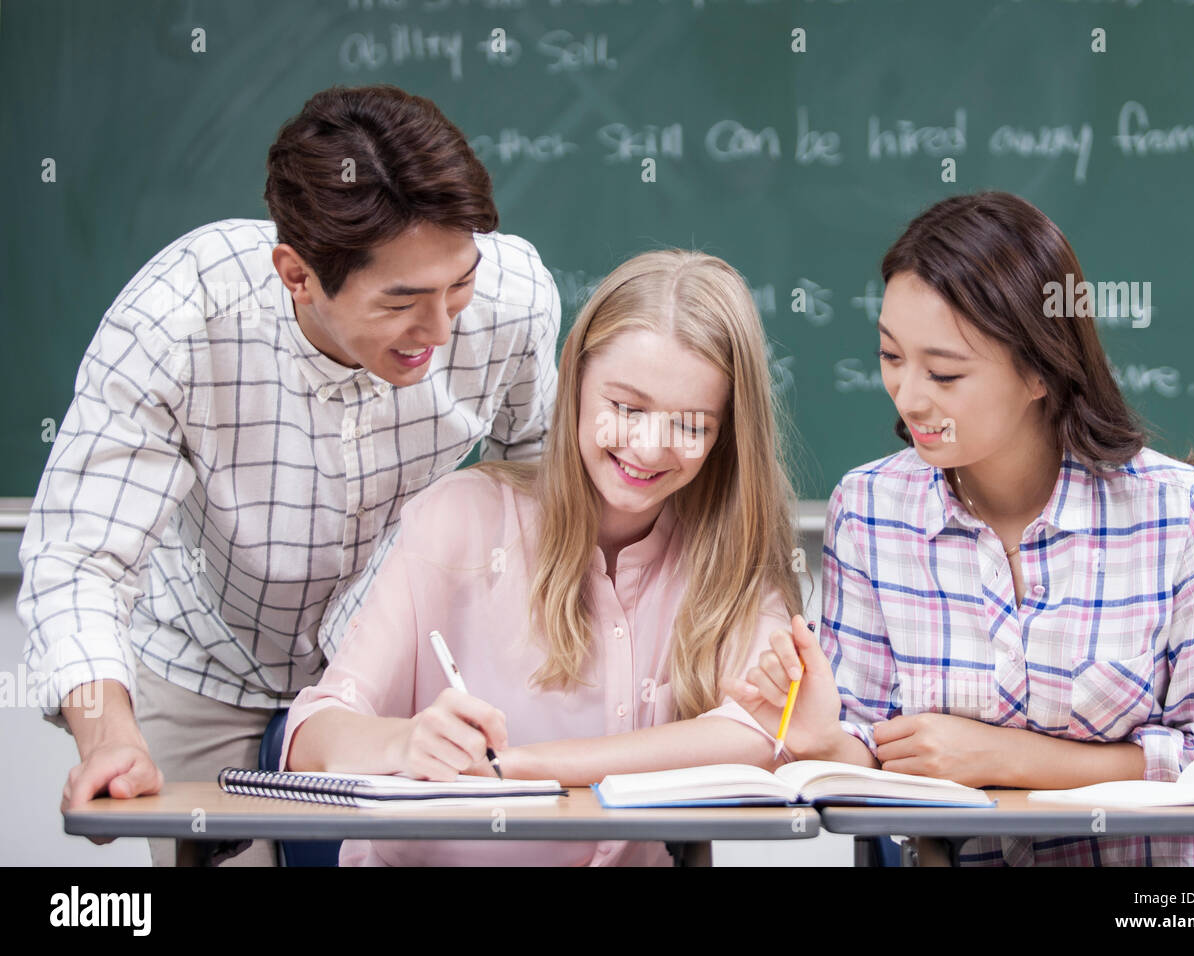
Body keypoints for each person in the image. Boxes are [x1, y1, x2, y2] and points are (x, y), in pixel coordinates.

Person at [18, 84, 560, 866]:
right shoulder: (182, 315)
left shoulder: (513, 300)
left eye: (459, 286)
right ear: (297, 274)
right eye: (404, 301)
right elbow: (79, 556)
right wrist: (107, 736)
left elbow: (548, 489)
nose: (442, 330)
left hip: (390, 666)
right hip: (208, 665)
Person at [724, 191, 1194, 866]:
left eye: (945, 372)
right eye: (892, 357)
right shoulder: (868, 510)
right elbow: (863, 744)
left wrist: (1005, 757)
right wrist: (824, 742)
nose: (909, 397)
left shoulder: (1181, 517)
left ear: (1041, 369)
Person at [284, 249, 807, 866]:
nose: (647, 447)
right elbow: (313, 735)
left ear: (725, 432)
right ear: (575, 378)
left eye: (692, 424)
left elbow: (760, 733)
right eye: (627, 407)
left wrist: (530, 767)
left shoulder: (727, 552)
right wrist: (405, 743)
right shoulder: (463, 517)